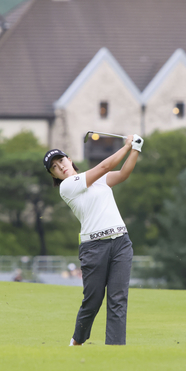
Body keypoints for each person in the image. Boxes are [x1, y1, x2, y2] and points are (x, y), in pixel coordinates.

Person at [43, 134, 143, 346]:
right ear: (53, 175)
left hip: (121, 243)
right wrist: (126, 146)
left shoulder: (96, 179)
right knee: (93, 300)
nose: (60, 167)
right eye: (53, 167)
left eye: (61, 161)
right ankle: (77, 340)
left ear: (69, 160)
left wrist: (136, 148)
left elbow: (123, 173)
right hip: (94, 248)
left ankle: (115, 350)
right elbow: (105, 166)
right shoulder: (67, 187)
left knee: (118, 299)